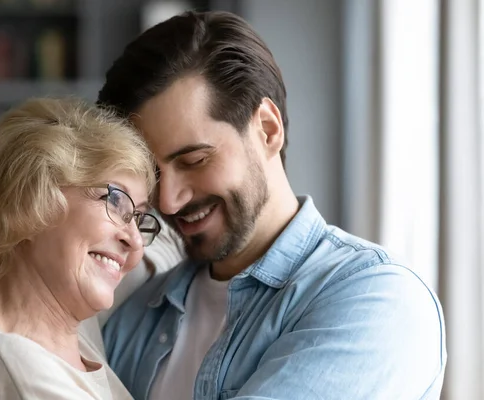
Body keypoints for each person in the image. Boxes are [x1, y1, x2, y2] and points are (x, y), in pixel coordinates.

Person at [97, 10, 447, 400]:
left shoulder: (378, 300)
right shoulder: (136, 315)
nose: (168, 200)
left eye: (194, 160)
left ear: (267, 129)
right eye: (154, 175)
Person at [0, 98, 162, 400]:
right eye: (115, 201)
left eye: (138, 218)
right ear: (29, 200)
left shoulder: (67, 333)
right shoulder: (12, 370)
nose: (134, 241)